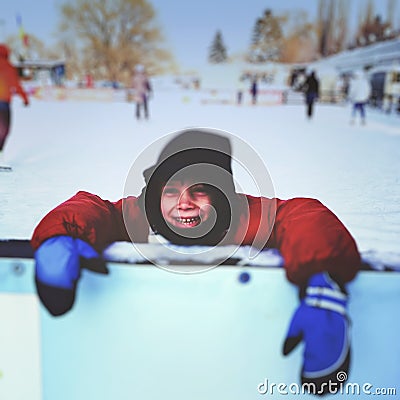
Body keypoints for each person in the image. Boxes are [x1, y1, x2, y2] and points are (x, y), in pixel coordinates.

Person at [31, 129, 360, 393]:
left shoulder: (243, 217)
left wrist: (321, 276)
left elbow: (303, 213)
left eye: (200, 191)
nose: (184, 204)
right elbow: (93, 208)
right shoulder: (143, 215)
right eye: (171, 191)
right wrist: (64, 235)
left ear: (223, 195)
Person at [0, 44, 29, 169]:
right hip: (3, 104)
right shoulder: (9, 67)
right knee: (3, 130)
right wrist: (25, 99)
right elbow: (16, 85)